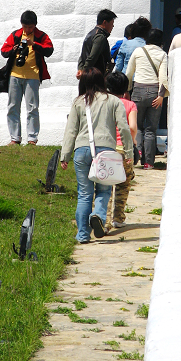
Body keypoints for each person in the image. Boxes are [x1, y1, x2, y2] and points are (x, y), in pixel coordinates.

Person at [60, 68, 133, 243]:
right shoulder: (114, 101)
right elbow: (123, 127)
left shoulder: (78, 102)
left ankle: (83, 234)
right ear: (103, 81)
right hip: (106, 151)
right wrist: (129, 151)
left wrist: (65, 156)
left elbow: (71, 131)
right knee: (104, 189)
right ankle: (98, 215)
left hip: (82, 151)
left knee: (84, 194)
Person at [1, 10, 53, 146]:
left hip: (33, 76)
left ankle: (32, 139)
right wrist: (14, 49)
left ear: (35, 25)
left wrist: (34, 44)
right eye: (25, 26)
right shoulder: (15, 35)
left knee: (32, 108)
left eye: (30, 27)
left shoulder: (41, 36)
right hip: (15, 74)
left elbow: (49, 50)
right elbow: (3, 51)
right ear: (21, 25)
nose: (28, 29)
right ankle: (15, 138)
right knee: (12, 107)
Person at [126, 28, 168, 169]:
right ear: (160, 41)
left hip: (138, 90)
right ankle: (149, 163)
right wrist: (161, 95)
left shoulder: (138, 51)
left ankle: (136, 153)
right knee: (151, 129)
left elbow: (129, 72)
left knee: (137, 126)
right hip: (155, 93)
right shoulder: (162, 54)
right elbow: (163, 77)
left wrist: (127, 90)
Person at [104, 71, 138, 232]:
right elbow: (131, 127)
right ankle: (118, 217)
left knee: (106, 184)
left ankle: (104, 220)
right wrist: (133, 141)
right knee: (123, 184)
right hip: (124, 150)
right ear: (126, 89)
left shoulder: (104, 103)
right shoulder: (130, 105)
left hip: (106, 148)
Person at [77, 9, 117, 79]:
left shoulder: (90, 34)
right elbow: (92, 57)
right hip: (95, 76)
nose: (113, 26)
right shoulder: (100, 37)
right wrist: (84, 71)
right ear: (105, 22)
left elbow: (82, 55)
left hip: (88, 75)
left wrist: (80, 69)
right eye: (111, 23)